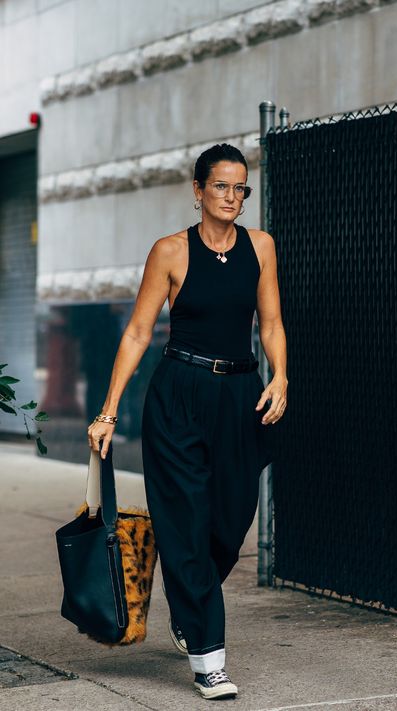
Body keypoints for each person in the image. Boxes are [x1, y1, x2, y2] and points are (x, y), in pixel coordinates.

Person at [87, 142, 288, 700]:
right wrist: (107, 411)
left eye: (240, 187)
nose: (231, 197)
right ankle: (209, 660)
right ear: (197, 191)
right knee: (185, 524)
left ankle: (188, 597)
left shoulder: (262, 247)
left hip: (240, 396)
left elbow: (270, 323)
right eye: (220, 186)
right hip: (178, 395)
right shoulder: (170, 252)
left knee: (230, 519)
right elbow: (136, 333)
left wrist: (281, 376)